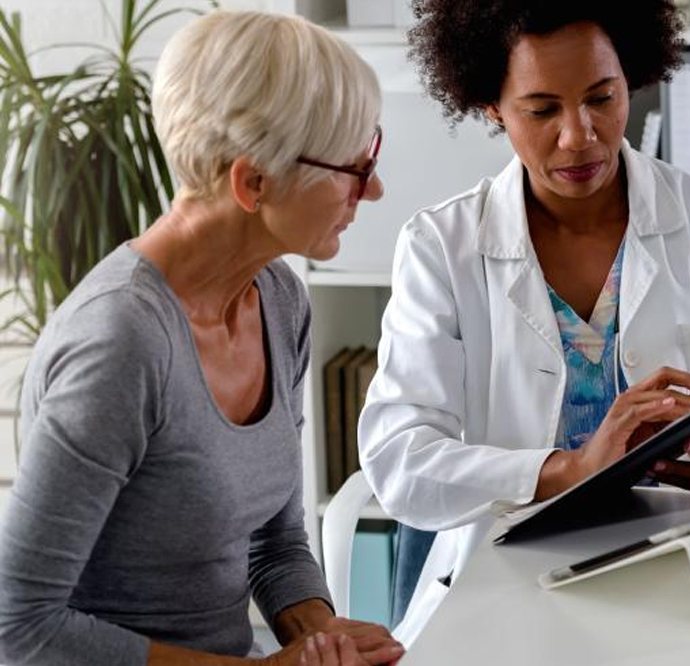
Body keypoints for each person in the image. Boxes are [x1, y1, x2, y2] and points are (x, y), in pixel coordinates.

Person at [358, 0, 690, 645]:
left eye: (602, 97)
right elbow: (400, 459)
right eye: (542, 110)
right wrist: (569, 469)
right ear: (491, 105)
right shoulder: (441, 245)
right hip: (507, 583)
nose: (580, 134)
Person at [0, 11, 404, 666]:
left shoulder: (278, 301)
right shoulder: (120, 345)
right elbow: (19, 628)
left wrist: (322, 637)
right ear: (252, 183)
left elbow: (274, 542)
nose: (374, 188)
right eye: (353, 167)